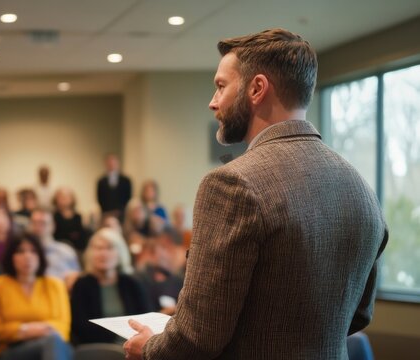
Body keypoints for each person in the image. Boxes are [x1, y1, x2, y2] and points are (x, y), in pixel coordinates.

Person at [124, 28, 388, 359]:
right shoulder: (362, 189)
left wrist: (148, 348)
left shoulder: (231, 185)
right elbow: (359, 314)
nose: (212, 101)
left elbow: (195, 338)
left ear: (257, 88)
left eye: (221, 86)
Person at [0, 235, 72, 360]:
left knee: (55, 343)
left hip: (51, 345)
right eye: (20, 251)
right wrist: (27, 329)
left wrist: (18, 330)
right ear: (11, 256)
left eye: (33, 251)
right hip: (12, 350)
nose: (27, 256)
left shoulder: (55, 285)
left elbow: (63, 328)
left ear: (40, 256)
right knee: (53, 343)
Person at [71, 228, 151, 345]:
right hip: (98, 349)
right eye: (98, 248)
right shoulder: (82, 285)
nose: (103, 253)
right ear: (90, 253)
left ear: (120, 253)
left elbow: (146, 319)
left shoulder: (131, 283)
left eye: (109, 248)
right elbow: (80, 327)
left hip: (135, 345)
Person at [30, 209, 80, 290]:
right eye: (34, 223)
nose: (37, 227)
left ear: (53, 226)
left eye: (42, 223)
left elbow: (76, 281)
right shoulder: (23, 253)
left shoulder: (65, 251)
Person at [96, 154, 132, 222]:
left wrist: (119, 211)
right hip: (106, 214)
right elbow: (99, 198)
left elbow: (128, 197)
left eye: (113, 162)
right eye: (109, 162)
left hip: (122, 214)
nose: (111, 164)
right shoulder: (101, 181)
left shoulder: (126, 180)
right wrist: (107, 213)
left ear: (118, 163)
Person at [52, 187, 88, 252]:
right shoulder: (52, 217)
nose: (64, 199)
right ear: (56, 199)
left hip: (77, 250)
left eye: (67, 196)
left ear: (72, 199)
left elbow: (82, 236)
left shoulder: (78, 217)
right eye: (61, 196)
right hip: (58, 250)